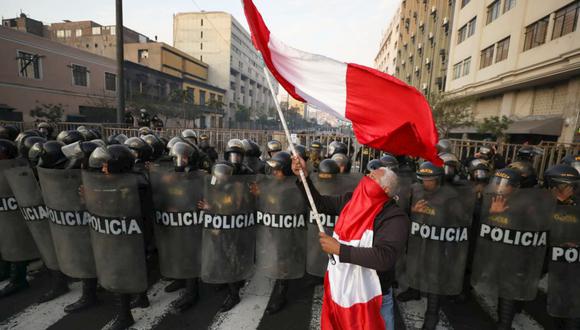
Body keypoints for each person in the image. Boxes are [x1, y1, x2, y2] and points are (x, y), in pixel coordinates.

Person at [291, 155, 408, 330]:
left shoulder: (394, 217)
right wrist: (303, 177)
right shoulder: (352, 200)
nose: (366, 178)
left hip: (373, 297)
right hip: (343, 289)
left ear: (384, 188)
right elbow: (320, 204)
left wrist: (340, 249)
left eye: (371, 178)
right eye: (367, 175)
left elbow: (384, 257)